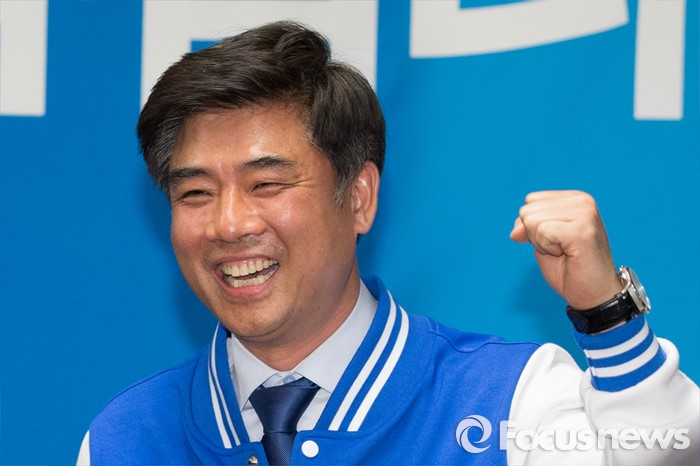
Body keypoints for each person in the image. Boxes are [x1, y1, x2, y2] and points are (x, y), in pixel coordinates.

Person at [77, 21, 698, 465]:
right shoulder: (125, 439)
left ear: (359, 196)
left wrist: (607, 318)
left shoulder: (508, 401)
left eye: (267, 184)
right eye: (194, 193)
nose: (229, 224)